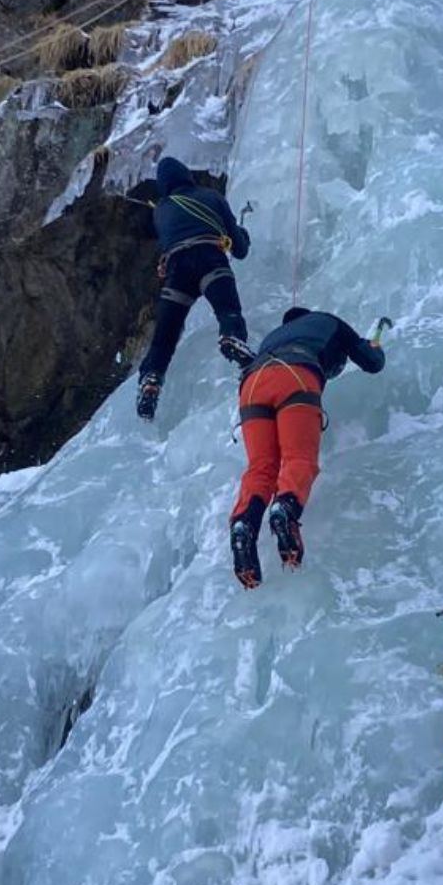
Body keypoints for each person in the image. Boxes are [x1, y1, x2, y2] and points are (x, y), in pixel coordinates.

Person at [229, 307, 386, 588]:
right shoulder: (329, 321)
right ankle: (285, 509)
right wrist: (375, 344)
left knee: (261, 468)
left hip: (252, 384)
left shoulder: (274, 337)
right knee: (298, 459)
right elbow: (371, 362)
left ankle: (243, 524)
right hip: (295, 375)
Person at [136, 156, 254, 421]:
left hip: (177, 271)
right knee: (228, 311)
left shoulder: (161, 210)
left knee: (164, 339)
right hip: (210, 259)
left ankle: (151, 378)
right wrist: (242, 237)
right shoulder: (211, 197)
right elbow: (240, 249)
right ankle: (231, 338)